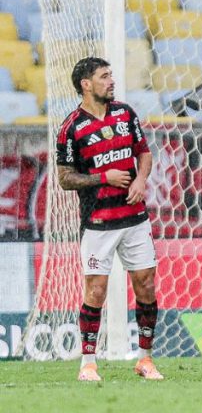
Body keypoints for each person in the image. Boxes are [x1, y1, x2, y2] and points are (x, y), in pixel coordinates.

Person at [56, 57, 162, 382]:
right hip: (98, 223)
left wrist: (141, 181)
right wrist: (103, 178)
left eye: (111, 75)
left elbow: (143, 152)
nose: (111, 81)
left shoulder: (125, 113)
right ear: (86, 84)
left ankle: (145, 359)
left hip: (134, 219)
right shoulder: (71, 127)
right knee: (96, 291)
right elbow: (65, 178)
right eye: (104, 76)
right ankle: (88, 363)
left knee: (145, 285)